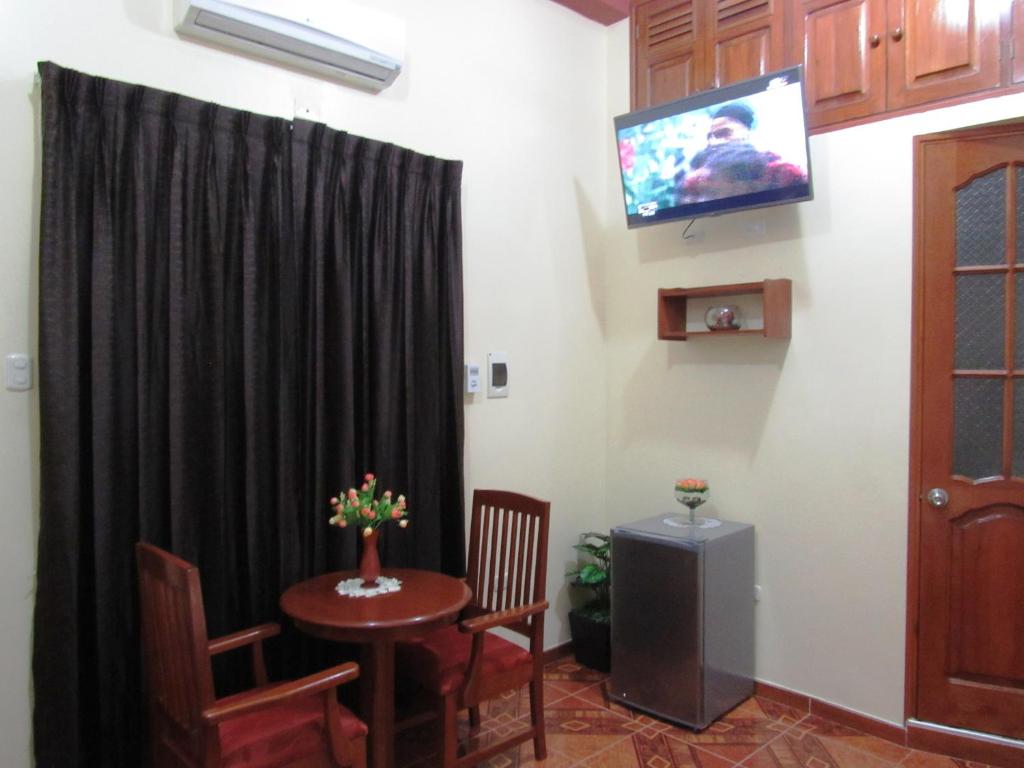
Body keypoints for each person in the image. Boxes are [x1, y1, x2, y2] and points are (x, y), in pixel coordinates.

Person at [680, 101, 806, 203]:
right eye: (710, 137)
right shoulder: (697, 181)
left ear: (749, 133)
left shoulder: (784, 172)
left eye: (725, 133)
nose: (714, 143)